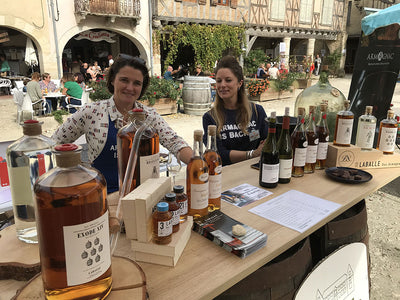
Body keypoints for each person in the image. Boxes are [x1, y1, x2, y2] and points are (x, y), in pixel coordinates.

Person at [52, 55, 193, 194]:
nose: (130, 88)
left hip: (144, 197)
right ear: (113, 80)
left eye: (137, 83)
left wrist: (198, 164)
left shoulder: (149, 115)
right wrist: (76, 171)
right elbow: (55, 143)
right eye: (124, 80)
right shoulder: (91, 112)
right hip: (103, 200)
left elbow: (175, 142)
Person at [202, 56, 268, 166]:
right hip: (226, 176)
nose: (222, 85)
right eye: (219, 81)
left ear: (239, 83)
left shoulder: (257, 111)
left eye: (228, 80)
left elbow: (267, 142)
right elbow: (218, 155)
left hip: (254, 172)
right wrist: (252, 154)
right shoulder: (210, 117)